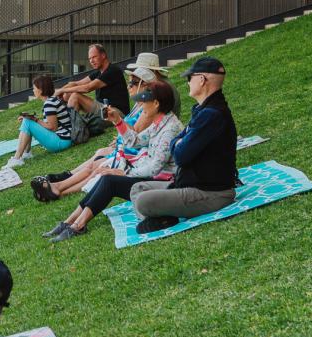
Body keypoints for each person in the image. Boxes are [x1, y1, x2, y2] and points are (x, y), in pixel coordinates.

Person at [45, 81, 183, 241]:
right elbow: (135, 141)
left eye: (144, 101)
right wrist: (117, 121)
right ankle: (69, 222)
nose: (141, 106)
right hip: (151, 179)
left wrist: (124, 172)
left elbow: (154, 168)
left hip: (162, 184)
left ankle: (78, 225)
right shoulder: (160, 123)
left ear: (156, 103)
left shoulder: (169, 129)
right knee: (107, 177)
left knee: (110, 181)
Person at [129, 57, 238, 233]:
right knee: (137, 188)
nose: (187, 82)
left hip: (211, 193)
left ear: (202, 80)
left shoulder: (212, 114)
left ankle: (160, 218)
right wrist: (179, 142)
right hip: (188, 184)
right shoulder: (202, 110)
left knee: (143, 201)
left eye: (190, 78)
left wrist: (179, 142)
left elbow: (180, 155)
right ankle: (163, 217)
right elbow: (178, 142)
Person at [31, 66, 158, 202]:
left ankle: (58, 189)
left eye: (132, 83)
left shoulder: (147, 108)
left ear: (144, 85)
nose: (129, 87)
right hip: (127, 149)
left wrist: (117, 121)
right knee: (96, 159)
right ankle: (59, 185)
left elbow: (134, 137)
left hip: (132, 154)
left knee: (96, 168)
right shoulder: (139, 105)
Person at [54, 43, 131, 133]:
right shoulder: (99, 72)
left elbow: (87, 88)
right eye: (90, 58)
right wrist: (58, 93)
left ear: (103, 55)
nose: (91, 61)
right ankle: (67, 125)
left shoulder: (112, 71)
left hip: (117, 113)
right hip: (104, 108)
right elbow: (76, 83)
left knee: (75, 96)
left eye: (94, 57)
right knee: (68, 94)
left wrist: (62, 90)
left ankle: (70, 129)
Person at [7, 74, 73, 169]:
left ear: (41, 89)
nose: (33, 90)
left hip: (61, 141)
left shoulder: (49, 103)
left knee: (27, 122)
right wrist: (32, 118)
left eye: (34, 88)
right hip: (64, 139)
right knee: (27, 121)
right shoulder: (52, 100)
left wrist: (35, 119)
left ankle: (17, 158)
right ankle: (26, 153)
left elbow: (52, 127)